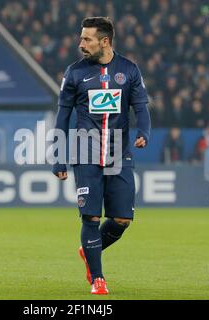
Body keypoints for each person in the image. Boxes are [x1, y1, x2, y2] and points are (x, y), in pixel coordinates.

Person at [52, 17, 151, 295]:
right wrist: (59, 156)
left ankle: (89, 250)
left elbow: (141, 107)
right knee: (91, 218)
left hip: (119, 154)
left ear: (104, 41)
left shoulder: (129, 70)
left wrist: (144, 131)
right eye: (81, 38)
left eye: (87, 39)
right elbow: (63, 117)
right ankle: (98, 278)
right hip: (86, 153)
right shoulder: (74, 73)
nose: (81, 43)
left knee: (122, 220)